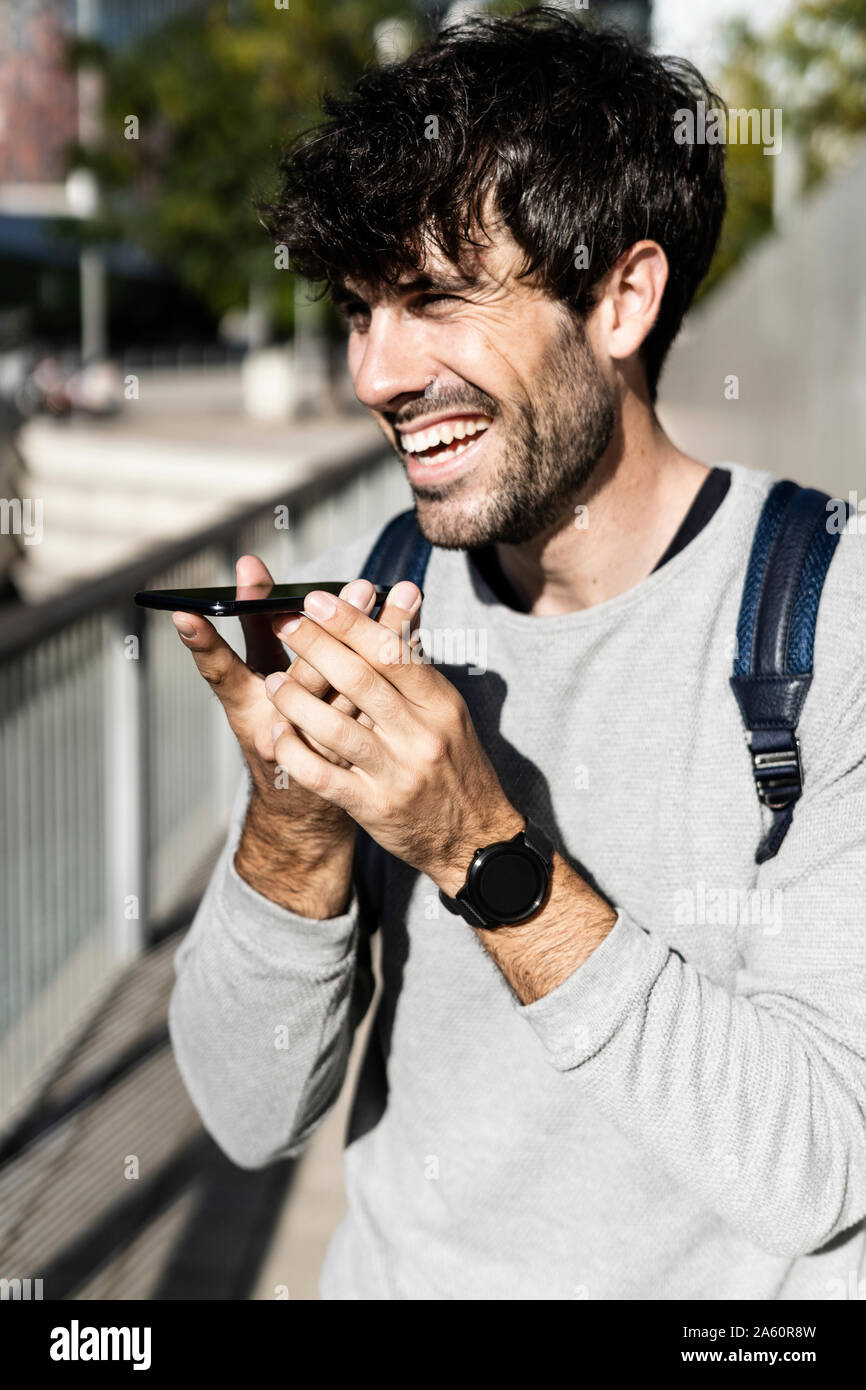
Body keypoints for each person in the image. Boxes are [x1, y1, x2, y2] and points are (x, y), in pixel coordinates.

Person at [167, 9, 866, 1299]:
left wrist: (481, 854)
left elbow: (820, 1161)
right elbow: (246, 1112)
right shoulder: (390, 592)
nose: (376, 371)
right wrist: (293, 823)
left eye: (433, 297)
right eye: (361, 309)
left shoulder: (832, 616)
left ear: (622, 298)